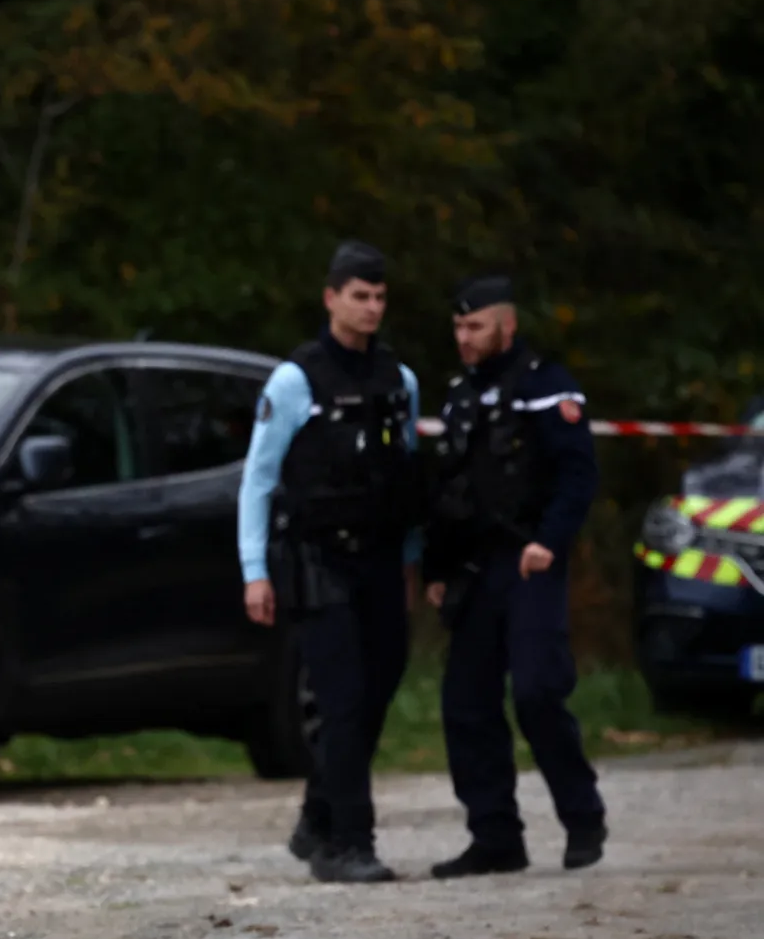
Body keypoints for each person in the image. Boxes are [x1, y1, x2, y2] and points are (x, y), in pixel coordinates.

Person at [240, 241, 422, 883]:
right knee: (342, 701)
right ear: (332, 297)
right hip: (319, 561)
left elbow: (404, 475)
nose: (371, 308)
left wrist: (411, 562)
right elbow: (257, 482)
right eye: (359, 296)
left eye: (379, 297)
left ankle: (318, 816)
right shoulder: (296, 381)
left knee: (376, 693)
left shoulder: (399, 381)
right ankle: (349, 842)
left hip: (380, 560)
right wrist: (253, 572)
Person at [423, 275, 606, 875]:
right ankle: (496, 837)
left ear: (507, 325)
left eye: (474, 327)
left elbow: (578, 474)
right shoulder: (458, 397)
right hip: (475, 571)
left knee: (536, 693)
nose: (464, 338)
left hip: (530, 564)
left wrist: (548, 543)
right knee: (466, 705)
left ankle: (583, 819)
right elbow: (448, 491)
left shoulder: (545, 388)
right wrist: (437, 568)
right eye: (458, 327)